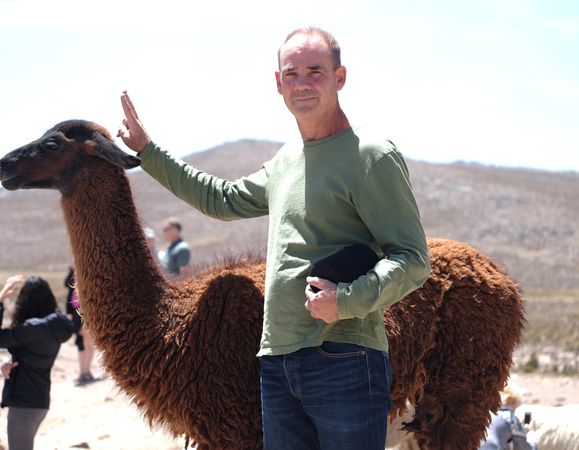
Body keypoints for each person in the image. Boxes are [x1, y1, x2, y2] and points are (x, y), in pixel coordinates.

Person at [118, 26, 430, 450]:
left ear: (340, 77)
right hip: (277, 359)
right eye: (292, 73)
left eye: (315, 71)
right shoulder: (287, 161)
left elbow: (412, 258)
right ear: (278, 83)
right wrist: (148, 151)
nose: (302, 83)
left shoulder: (370, 156)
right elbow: (220, 199)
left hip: (343, 355)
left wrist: (347, 300)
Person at [0, 274, 74, 450]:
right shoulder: (53, 328)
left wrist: (1, 300)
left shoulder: (32, 329)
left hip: (23, 405)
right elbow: (33, 354)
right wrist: (12, 361)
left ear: (24, 301)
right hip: (40, 402)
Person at [479, 382, 538, 450]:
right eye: (515, 407)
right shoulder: (510, 418)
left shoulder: (482, 414)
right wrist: (531, 434)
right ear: (512, 402)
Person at [64, 267, 97, 386]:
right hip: (76, 313)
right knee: (81, 343)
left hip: (86, 313)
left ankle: (86, 371)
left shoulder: (88, 274)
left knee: (88, 343)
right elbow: (66, 284)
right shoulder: (73, 273)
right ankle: (83, 372)